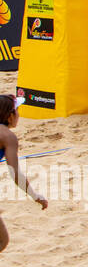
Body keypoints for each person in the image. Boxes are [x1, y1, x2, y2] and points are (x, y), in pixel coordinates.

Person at [0, 93, 49, 250]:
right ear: (9, 116)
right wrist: (35, 195)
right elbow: (15, 174)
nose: (19, 115)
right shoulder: (8, 137)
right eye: (17, 110)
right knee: (2, 241)